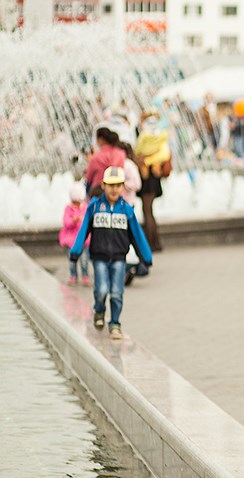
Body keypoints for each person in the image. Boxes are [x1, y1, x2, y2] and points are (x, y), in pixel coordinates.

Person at [69, 167, 153, 341]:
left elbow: (136, 234)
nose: (114, 189)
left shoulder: (127, 210)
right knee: (101, 290)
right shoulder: (94, 207)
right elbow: (84, 230)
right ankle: (99, 310)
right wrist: (76, 251)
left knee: (116, 292)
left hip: (119, 258)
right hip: (99, 256)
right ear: (103, 185)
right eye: (110, 185)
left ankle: (115, 323)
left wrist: (145, 256)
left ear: (123, 187)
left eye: (118, 185)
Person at [134, 111, 171, 252]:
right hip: (153, 176)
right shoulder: (160, 135)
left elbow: (139, 151)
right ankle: (154, 242)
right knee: (149, 211)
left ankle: (151, 244)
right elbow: (163, 153)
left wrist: (145, 160)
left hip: (148, 178)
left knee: (147, 211)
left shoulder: (146, 135)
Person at [61, 182, 90, 287]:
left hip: (83, 241)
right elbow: (66, 223)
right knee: (72, 260)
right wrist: (74, 220)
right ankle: (73, 275)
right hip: (71, 241)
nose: (77, 204)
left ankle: (85, 275)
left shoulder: (86, 208)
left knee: (84, 260)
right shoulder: (68, 209)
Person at [83, 127, 126, 195]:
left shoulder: (96, 157)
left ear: (100, 140)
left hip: (98, 192)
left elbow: (88, 178)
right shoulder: (121, 154)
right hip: (117, 192)